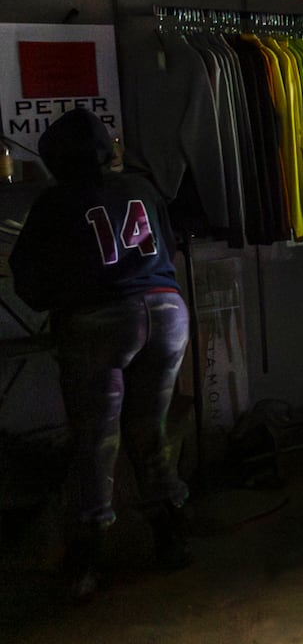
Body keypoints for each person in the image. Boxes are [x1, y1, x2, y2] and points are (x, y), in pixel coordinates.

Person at [9, 108, 193, 600]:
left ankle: (85, 564)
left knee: (97, 443)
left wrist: (65, 300)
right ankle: (170, 538)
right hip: (167, 311)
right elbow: (167, 247)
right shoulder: (143, 187)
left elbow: (27, 277)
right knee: (150, 432)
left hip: (103, 323)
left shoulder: (54, 201)